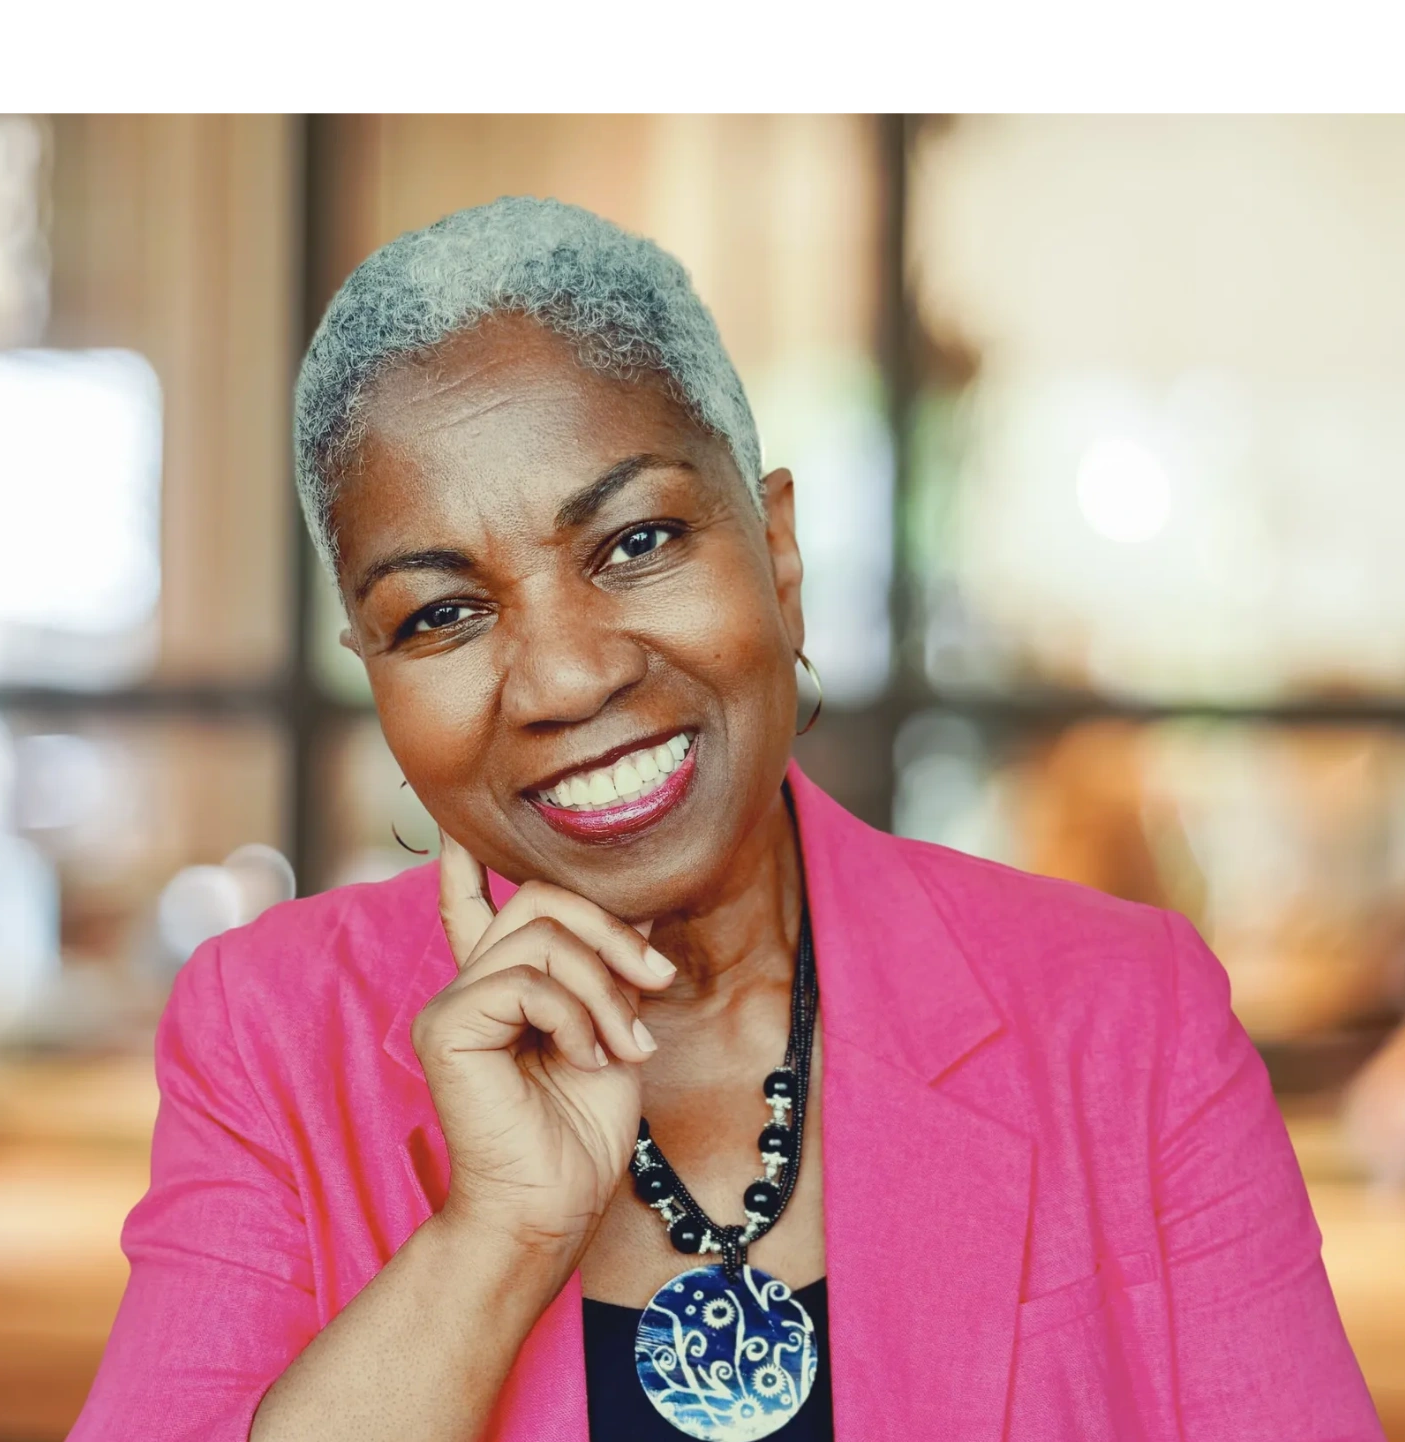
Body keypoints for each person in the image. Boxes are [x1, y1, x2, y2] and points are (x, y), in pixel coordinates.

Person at [71, 198, 1385, 1442]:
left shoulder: (1123, 1017)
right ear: (377, 677)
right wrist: (501, 1235)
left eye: (636, 542)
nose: (572, 675)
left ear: (780, 556)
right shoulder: (273, 1032)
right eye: (443, 614)